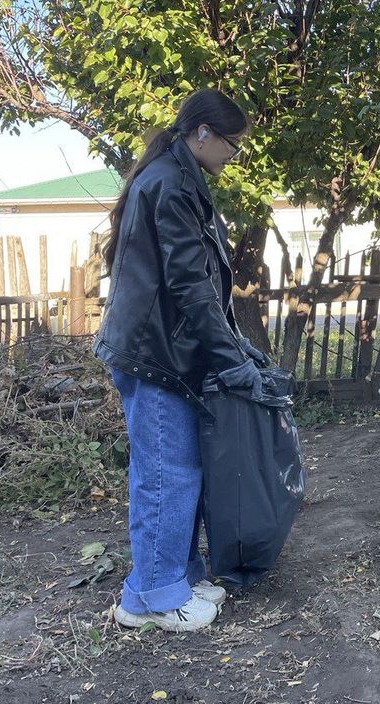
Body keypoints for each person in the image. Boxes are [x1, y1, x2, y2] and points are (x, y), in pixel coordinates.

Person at [94, 89, 270, 632]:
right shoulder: (170, 184)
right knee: (164, 475)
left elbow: (201, 285)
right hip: (155, 354)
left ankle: (180, 576)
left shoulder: (178, 177)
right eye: (233, 144)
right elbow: (190, 287)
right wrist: (230, 359)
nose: (234, 155)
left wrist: (234, 346)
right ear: (203, 133)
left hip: (166, 350)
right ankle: (149, 598)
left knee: (182, 469)